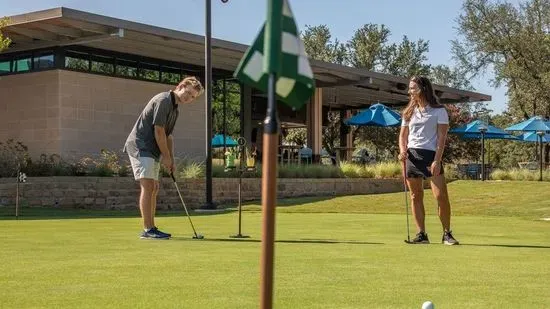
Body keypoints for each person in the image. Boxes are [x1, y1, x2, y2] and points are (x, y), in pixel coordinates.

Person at [124, 76, 204, 239]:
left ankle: (152, 227)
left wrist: (171, 159)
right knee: (148, 186)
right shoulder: (164, 100)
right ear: (181, 86)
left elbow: (168, 137)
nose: (188, 99)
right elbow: (158, 131)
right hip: (141, 146)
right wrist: (165, 157)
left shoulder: (175, 109)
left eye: (193, 98)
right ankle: (148, 229)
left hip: (152, 150)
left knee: (154, 187)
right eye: (188, 93)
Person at [398, 76, 459, 245]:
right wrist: (402, 151)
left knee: (441, 196)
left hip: (431, 156)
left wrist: (437, 160)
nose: (410, 91)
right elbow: (403, 136)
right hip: (412, 156)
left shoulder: (439, 111)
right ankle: (421, 234)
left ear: (423, 89)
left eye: (413, 88)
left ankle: (447, 233)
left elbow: (442, 137)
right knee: (415, 195)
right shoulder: (408, 112)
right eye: (409, 88)